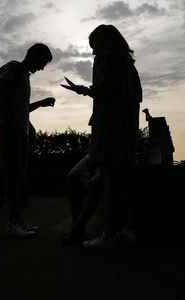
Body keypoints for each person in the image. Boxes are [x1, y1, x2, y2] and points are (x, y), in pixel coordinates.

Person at [61, 24, 142, 248]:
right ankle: (88, 230)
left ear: (106, 43)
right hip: (120, 134)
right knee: (102, 183)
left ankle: (105, 234)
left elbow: (107, 93)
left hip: (110, 134)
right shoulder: (128, 66)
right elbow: (119, 97)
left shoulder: (109, 61)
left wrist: (84, 90)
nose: (94, 53)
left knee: (98, 182)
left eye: (94, 47)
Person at [0, 43, 54, 237]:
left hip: (18, 130)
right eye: (43, 62)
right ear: (34, 56)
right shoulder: (14, 67)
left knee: (18, 177)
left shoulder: (23, 75)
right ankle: (13, 223)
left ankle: (18, 221)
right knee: (13, 177)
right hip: (10, 130)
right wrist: (9, 120)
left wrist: (41, 104)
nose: (42, 67)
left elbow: (22, 107)